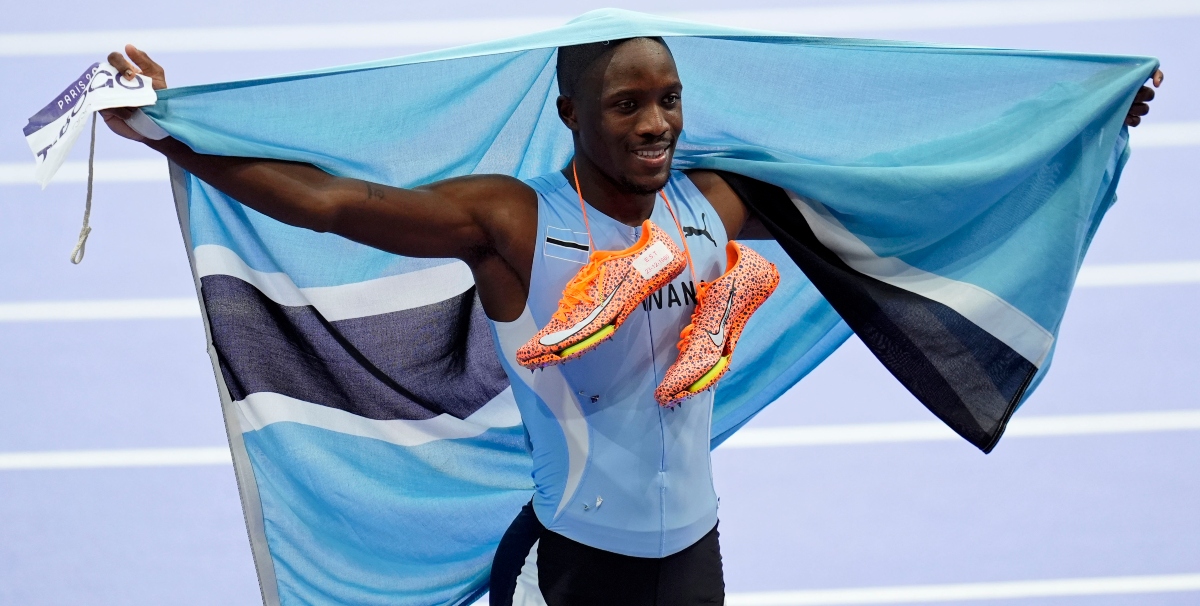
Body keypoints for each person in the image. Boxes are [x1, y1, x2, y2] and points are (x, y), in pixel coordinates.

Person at [101, 37, 1161, 606]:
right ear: (569, 115)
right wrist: (163, 127)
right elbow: (333, 204)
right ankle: (649, 294)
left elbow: (902, 171)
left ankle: (713, 291)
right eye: (625, 105)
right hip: (571, 571)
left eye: (668, 100)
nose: (655, 122)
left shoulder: (713, 203)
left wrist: (1081, 119)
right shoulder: (512, 223)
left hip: (690, 561)